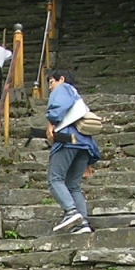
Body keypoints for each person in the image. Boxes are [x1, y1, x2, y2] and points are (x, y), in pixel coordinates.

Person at [44, 68, 100, 234]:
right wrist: (89, 161)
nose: (50, 87)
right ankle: (82, 223)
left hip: (68, 140)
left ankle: (71, 212)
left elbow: (58, 107)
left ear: (61, 79)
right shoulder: (78, 100)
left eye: (51, 82)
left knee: (55, 179)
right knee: (73, 186)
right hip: (84, 145)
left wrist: (51, 123)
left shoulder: (64, 89)